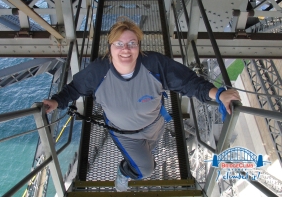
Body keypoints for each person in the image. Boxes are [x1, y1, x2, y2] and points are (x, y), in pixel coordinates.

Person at [43, 19, 241, 192]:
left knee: (150, 150)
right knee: (146, 169)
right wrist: (56, 101)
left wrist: (219, 94)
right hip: (124, 134)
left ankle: (138, 158)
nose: (126, 49)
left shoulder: (154, 64)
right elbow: (75, 88)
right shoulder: (98, 71)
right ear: (110, 47)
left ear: (139, 46)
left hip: (155, 125)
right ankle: (124, 171)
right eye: (119, 43)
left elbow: (188, 82)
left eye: (132, 43)